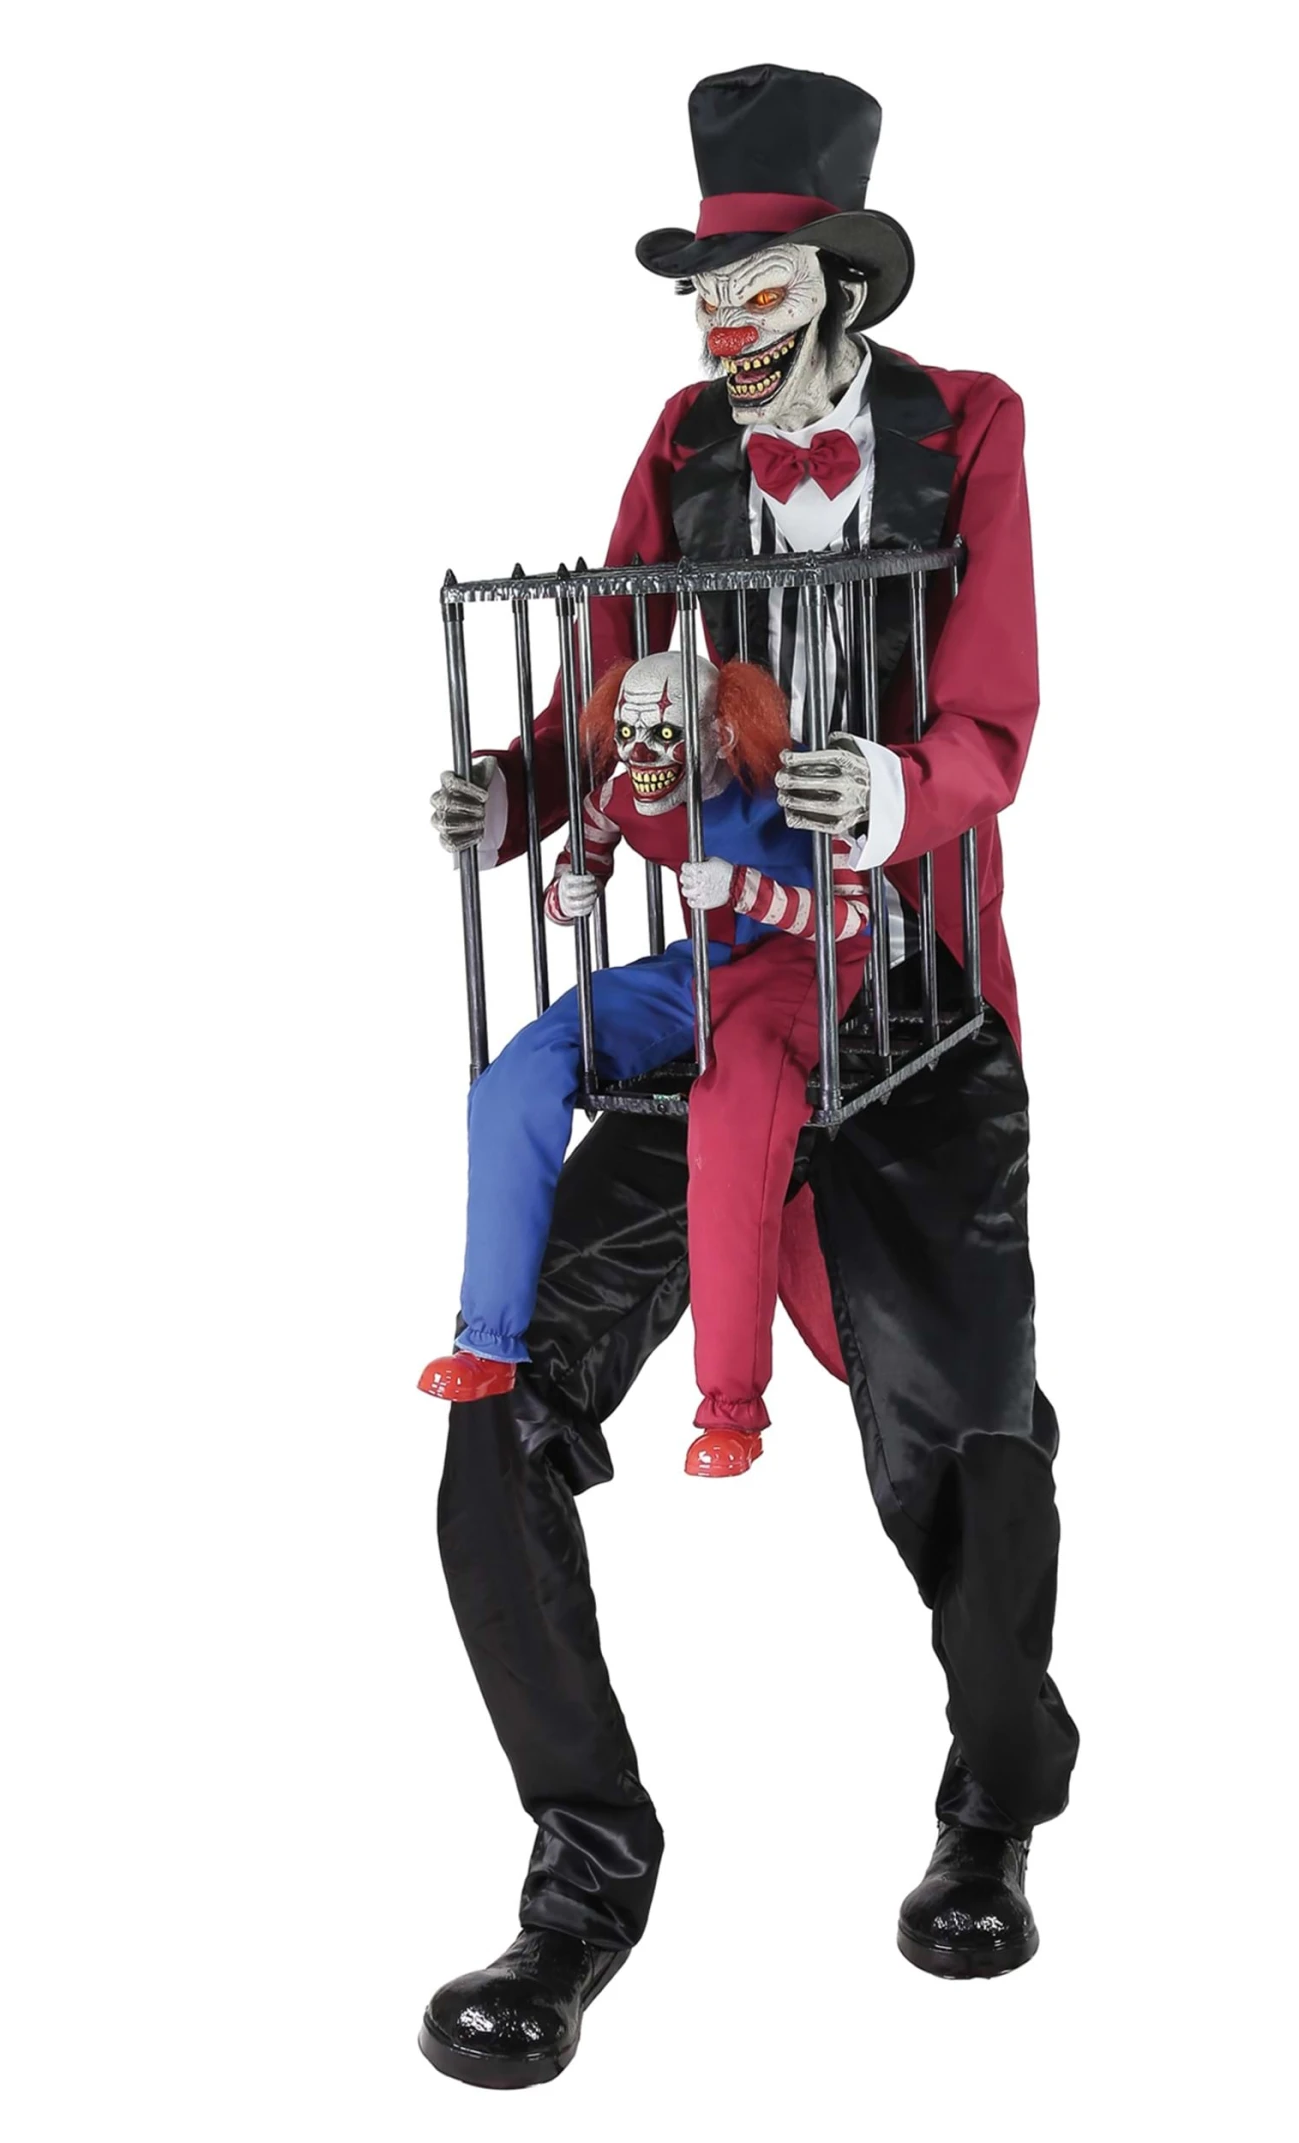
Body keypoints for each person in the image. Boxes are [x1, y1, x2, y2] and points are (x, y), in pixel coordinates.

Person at [418, 63, 1078, 2092]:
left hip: (916, 997)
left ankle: (995, 1795)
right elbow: (607, 691)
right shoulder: (682, 447)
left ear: (836, 283)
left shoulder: (969, 426)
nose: (720, 318)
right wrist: (522, 792)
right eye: (703, 284)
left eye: (753, 281)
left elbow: (995, 716)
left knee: (963, 1424)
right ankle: (582, 1879)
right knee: (499, 1409)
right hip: (725, 994)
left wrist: (899, 782)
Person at [419, 650, 869, 1476]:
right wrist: (568, 895)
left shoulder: (788, 785)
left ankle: (731, 1409)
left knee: (731, 1116)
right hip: (699, 965)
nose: (639, 751)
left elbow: (850, 917)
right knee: (522, 1070)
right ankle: (487, 1341)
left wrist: (744, 890)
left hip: (799, 968)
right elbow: (582, 858)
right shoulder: (622, 790)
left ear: (722, 730)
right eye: (625, 731)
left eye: (663, 733)